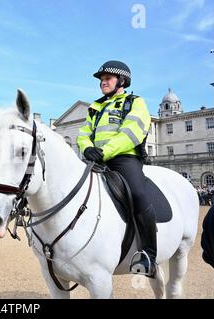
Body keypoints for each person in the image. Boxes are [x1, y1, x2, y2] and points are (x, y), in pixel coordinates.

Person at [77, 60, 156, 277]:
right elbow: (83, 133)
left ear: (122, 80)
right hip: (96, 159)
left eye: (107, 78)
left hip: (123, 158)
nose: (103, 82)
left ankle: (149, 254)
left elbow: (131, 132)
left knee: (138, 194)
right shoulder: (96, 106)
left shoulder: (135, 102)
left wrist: (105, 151)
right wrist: (87, 149)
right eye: (101, 79)